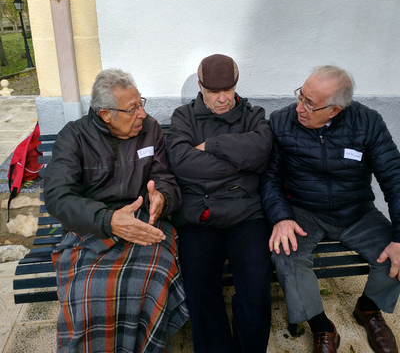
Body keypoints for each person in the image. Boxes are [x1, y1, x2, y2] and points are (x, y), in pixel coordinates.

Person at [44, 68, 189, 352]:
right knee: (87, 291)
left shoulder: (151, 130)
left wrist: (162, 197)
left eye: (141, 104)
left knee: (156, 276)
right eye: (132, 109)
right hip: (92, 226)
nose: (142, 115)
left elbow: (165, 177)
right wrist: (108, 219)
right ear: (105, 114)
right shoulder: (74, 137)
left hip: (145, 220)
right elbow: (58, 196)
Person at [260, 65, 400, 353]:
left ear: (335, 110)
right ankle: (322, 326)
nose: (299, 107)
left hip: (356, 211)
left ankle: (368, 309)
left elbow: (395, 179)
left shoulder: (368, 122)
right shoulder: (281, 121)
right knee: (286, 255)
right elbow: (269, 177)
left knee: (394, 255)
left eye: (310, 104)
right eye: (301, 95)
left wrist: (399, 237)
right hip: (304, 210)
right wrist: (281, 216)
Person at [166, 54, 274, 353]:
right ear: (200, 86)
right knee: (199, 286)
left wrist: (212, 146)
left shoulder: (253, 114)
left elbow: (262, 153)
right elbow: (183, 164)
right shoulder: (183, 117)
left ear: (236, 85)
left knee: (255, 285)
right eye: (214, 92)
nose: (222, 99)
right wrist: (241, 163)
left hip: (246, 215)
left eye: (228, 90)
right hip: (200, 215)